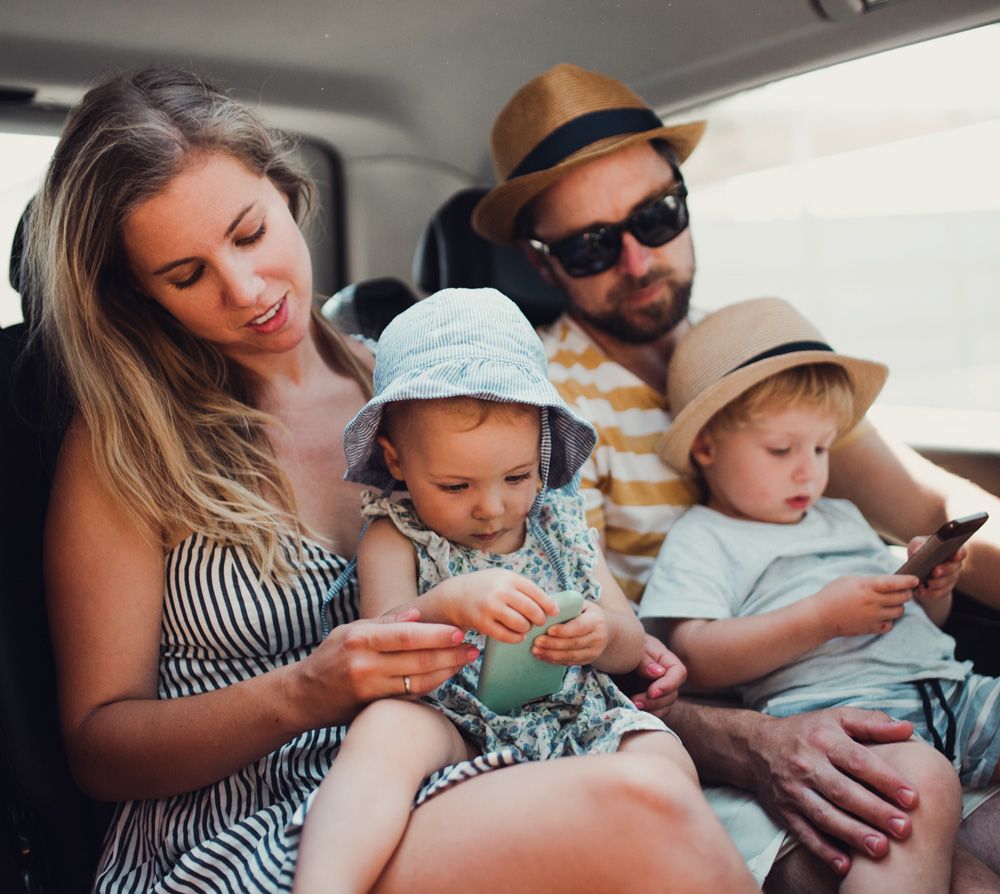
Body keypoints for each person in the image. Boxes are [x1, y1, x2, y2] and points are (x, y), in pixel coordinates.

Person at [31, 67, 760, 894]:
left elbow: (544, 554)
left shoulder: (427, 398)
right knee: (646, 810)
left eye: (248, 233)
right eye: (186, 275)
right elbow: (98, 747)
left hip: (465, 770)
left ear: (285, 190)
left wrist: (607, 641)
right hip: (248, 828)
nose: (246, 290)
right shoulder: (125, 444)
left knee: (666, 786)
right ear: (138, 292)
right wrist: (305, 692)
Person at [471, 62, 1000, 888]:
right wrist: (751, 743)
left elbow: (932, 504)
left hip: (893, 689)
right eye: (593, 244)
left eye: (657, 215)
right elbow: (580, 662)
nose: (641, 260)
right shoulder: (542, 409)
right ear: (544, 263)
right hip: (715, 727)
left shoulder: (750, 347)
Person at [293, 287, 753, 894]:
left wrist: (599, 633)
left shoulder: (559, 521)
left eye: (516, 477)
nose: (491, 507)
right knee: (385, 730)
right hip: (450, 719)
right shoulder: (395, 532)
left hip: (574, 712)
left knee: (661, 754)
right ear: (397, 461)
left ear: (541, 452)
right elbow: (380, 643)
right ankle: (326, 883)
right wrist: (445, 604)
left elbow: (630, 641)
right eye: (455, 486)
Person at [639, 297, 1000, 892]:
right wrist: (820, 618)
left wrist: (932, 589)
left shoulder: (841, 516)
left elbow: (922, 626)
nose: (807, 471)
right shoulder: (704, 537)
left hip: (953, 690)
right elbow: (694, 656)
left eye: (822, 448)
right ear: (706, 448)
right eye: (781, 451)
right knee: (921, 791)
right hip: (849, 712)